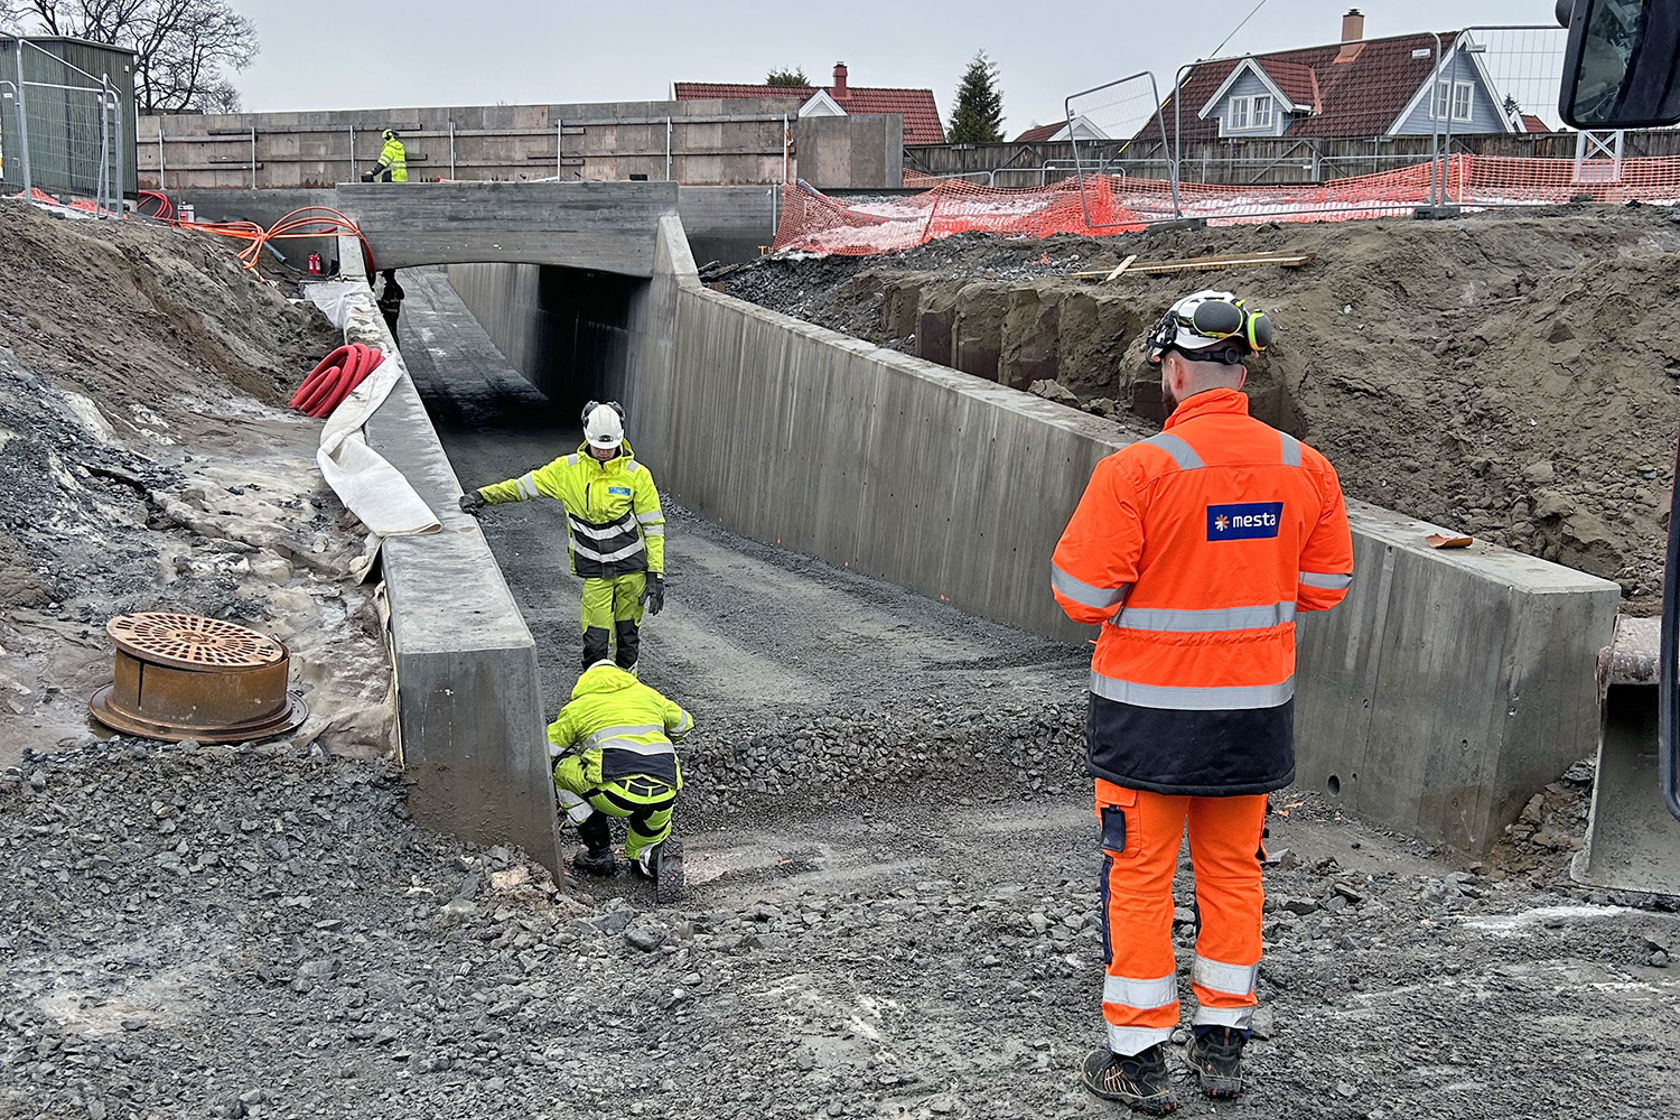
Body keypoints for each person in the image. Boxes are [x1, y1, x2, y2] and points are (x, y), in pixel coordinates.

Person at [1051, 290, 1353, 1113]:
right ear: (1242, 368)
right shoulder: (1305, 467)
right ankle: (1222, 1051)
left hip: (1147, 723)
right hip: (1250, 718)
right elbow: (1325, 586)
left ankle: (1138, 1060)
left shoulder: (1138, 471)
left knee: (1139, 880)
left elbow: (1080, 594)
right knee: (1233, 875)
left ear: (1174, 367)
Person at [460, 401, 666, 671]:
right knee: (595, 644)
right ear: (586, 437)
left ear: (621, 438)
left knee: (628, 639)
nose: (604, 452)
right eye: (599, 447)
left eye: (610, 447)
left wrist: (656, 573)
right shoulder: (566, 471)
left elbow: (653, 526)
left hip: (632, 573)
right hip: (595, 573)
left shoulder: (637, 475)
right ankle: (595, 697)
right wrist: (482, 496)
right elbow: (521, 487)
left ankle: (626, 697)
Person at [546, 659, 689, 900]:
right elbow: (684, 724)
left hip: (613, 792)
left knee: (559, 768)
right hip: (664, 789)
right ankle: (655, 859)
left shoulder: (580, 706)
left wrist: (582, 748)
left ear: (585, 682)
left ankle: (599, 853)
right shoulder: (649, 695)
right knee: (642, 847)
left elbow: (545, 750)